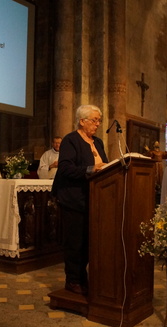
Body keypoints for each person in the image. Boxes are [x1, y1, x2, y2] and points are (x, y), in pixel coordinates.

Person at [52, 105, 108, 295]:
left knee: (88, 242)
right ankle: (73, 280)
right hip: (73, 199)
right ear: (82, 121)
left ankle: (83, 278)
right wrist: (91, 169)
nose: (98, 124)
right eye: (94, 120)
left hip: (94, 199)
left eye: (99, 120)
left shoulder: (98, 142)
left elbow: (106, 166)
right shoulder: (71, 140)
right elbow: (65, 168)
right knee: (75, 242)